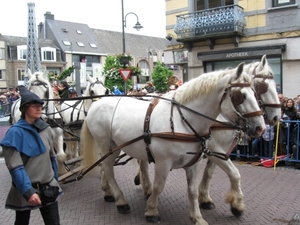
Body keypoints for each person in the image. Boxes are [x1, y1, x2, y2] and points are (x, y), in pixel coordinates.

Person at [0, 86, 62, 225]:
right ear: (24, 109)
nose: (39, 108)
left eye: (40, 105)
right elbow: (15, 167)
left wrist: (55, 181)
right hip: (25, 189)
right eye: (34, 106)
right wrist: (28, 191)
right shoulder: (14, 134)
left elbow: (52, 158)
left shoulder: (46, 129)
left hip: (48, 187)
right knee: (22, 222)